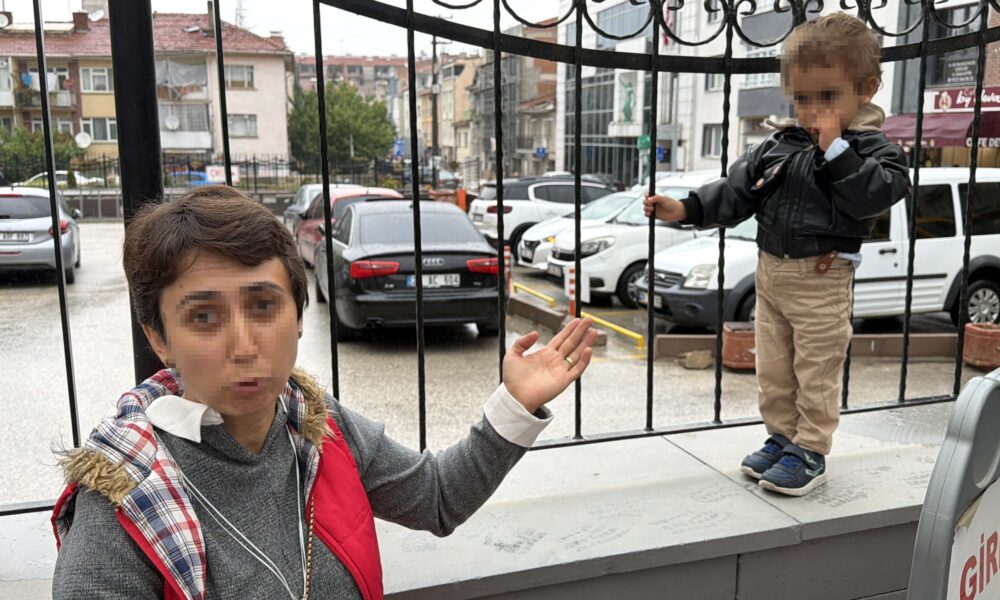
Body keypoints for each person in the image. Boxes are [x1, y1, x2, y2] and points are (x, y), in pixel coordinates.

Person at [51, 185, 598, 599]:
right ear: (159, 338)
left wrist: (515, 403)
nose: (243, 345)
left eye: (263, 306)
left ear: (297, 317)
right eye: (204, 317)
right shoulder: (123, 500)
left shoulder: (316, 424)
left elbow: (436, 499)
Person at [643, 13, 910, 496]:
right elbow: (736, 192)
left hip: (821, 278)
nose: (812, 111)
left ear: (866, 89)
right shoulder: (780, 144)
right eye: (802, 98)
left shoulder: (873, 149)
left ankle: (810, 448)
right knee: (774, 367)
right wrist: (686, 208)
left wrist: (836, 152)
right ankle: (782, 438)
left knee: (816, 368)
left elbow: (874, 196)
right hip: (771, 275)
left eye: (827, 97)